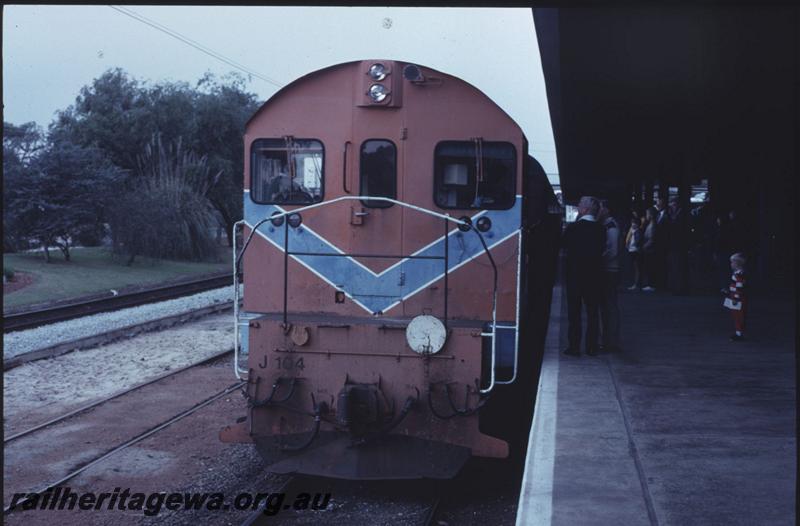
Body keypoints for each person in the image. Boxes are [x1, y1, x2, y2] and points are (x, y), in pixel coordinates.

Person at [563, 196, 606, 356]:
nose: (578, 205)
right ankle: (591, 346)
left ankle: (574, 346)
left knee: (574, 314)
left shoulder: (573, 228)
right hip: (594, 277)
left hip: (574, 276)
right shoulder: (601, 230)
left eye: (580, 204)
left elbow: (564, 245)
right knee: (592, 312)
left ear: (584, 210)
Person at [598, 200, 621, 352]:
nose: (598, 211)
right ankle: (608, 340)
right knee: (607, 306)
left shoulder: (611, 227)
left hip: (609, 270)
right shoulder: (608, 225)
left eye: (599, 208)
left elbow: (612, 251)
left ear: (606, 210)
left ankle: (611, 341)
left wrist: (597, 260)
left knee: (609, 306)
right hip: (609, 270)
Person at [667, 197, 690, 295]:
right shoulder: (675, 215)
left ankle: (679, 287)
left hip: (678, 244)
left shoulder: (680, 215)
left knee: (678, 266)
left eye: (672, 204)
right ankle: (676, 286)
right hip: (675, 244)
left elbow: (682, 229)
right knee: (675, 266)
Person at [723, 253, 747, 341]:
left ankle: (739, 334)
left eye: (732, 262)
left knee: (738, 316)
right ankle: (738, 333)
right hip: (734, 296)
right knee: (736, 316)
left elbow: (739, 287)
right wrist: (729, 291)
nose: (731, 264)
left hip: (737, 298)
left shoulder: (739, 274)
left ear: (737, 263)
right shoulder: (737, 273)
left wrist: (736, 298)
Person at [654, 197, 670, 290]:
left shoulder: (666, 215)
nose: (657, 205)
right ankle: (660, 283)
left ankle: (663, 284)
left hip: (663, 243)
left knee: (663, 264)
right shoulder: (658, 215)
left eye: (659, 203)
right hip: (659, 243)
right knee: (659, 264)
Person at [625, 210, 644, 290]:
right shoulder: (632, 231)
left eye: (634, 223)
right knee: (634, 267)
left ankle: (637, 284)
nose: (632, 224)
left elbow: (637, 241)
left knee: (637, 268)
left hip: (636, 251)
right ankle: (635, 283)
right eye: (632, 223)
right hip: (631, 250)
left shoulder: (638, 231)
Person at [642, 207, 658, 291]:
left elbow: (652, 239)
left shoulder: (652, 225)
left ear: (651, 215)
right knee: (648, 266)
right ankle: (650, 283)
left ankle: (651, 284)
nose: (646, 216)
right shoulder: (650, 224)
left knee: (650, 267)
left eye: (647, 214)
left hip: (650, 250)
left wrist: (644, 246)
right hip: (648, 249)